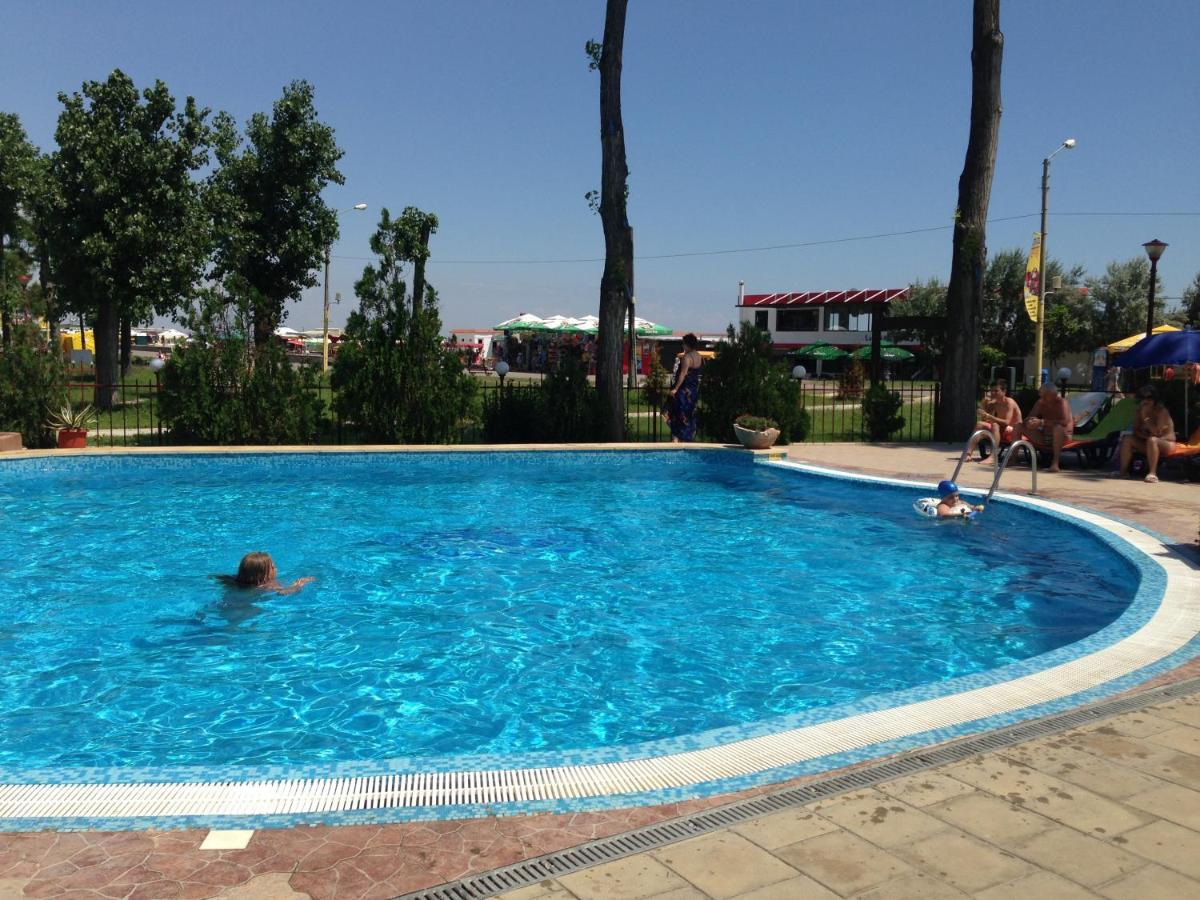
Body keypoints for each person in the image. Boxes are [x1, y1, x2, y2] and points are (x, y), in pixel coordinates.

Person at [1115, 385, 1176, 483]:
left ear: (1155, 399)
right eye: (1143, 398)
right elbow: (1135, 430)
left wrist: (1145, 417)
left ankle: (1152, 473)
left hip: (1166, 443)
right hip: (1147, 442)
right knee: (1127, 439)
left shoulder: (1161, 411)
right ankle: (1123, 471)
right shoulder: (1139, 411)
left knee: (1152, 440)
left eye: (1149, 398)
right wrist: (1143, 435)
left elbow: (1157, 433)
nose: (1146, 401)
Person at [1013, 382, 1074, 473]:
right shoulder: (1040, 402)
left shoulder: (1062, 402)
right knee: (1018, 426)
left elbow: (1064, 422)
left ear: (1053, 394)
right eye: (1041, 395)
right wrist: (1029, 422)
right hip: (1045, 435)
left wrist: (1042, 422)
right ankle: (1013, 458)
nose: (1042, 397)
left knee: (1058, 428)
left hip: (1063, 437)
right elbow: (1029, 417)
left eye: (1045, 395)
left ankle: (1055, 463)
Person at [216, 552, 314, 595]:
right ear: (262, 575)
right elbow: (283, 593)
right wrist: (299, 584)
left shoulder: (232, 579)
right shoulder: (267, 586)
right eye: (273, 567)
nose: (276, 568)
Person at [665, 333, 703, 443]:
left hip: (684, 391)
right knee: (689, 415)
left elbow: (683, 374)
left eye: (684, 344)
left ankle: (676, 439)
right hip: (693, 391)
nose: (683, 346)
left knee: (677, 414)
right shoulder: (698, 356)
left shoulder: (687, 357)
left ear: (687, 344)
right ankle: (688, 439)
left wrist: (676, 389)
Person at [974, 378, 1022, 460]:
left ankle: (992, 456)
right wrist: (983, 404)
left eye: (996, 391)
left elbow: (1007, 422)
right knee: (979, 424)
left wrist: (989, 416)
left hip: (1014, 430)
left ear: (1004, 391)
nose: (993, 393)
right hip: (1002, 428)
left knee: (995, 425)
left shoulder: (1009, 402)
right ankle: (968, 453)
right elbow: (984, 419)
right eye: (991, 391)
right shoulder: (995, 403)